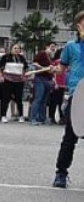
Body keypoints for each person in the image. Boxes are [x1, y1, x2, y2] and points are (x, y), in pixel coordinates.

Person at [53, 10, 84, 188]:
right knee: (70, 137)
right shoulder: (71, 47)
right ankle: (61, 173)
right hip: (77, 95)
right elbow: (62, 69)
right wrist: (54, 69)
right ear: (78, 26)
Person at [0, 44, 28, 123]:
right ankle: (3, 115)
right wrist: (0, 76)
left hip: (19, 81)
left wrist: (24, 76)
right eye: (15, 48)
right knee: (6, 98)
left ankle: (20, 115)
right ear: (11, 49)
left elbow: (25, 68)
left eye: (18, 48)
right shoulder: (6, 57)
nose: (16, 50)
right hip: (8, 80)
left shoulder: (21, 58)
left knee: (19, 99)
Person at [30, 50, 54, 126]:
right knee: (38, 98)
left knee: (44, 101)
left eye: (54, 48)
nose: (52, 49)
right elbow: (34, 63)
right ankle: (33, 118)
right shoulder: (42, 53)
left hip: (48, 79)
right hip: (40, 78)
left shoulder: (50, 58)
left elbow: (51, 71)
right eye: (51, 47)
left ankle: (42, 118)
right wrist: (43, 68)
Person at [49, 48, 67, 125]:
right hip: (57, 84)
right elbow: (53, 73)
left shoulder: (67, 63)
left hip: (64, 85)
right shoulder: (57, 62)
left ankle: (62, 117)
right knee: (54, 102)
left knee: (62, 103)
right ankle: (51, 117)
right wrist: (55, 83)